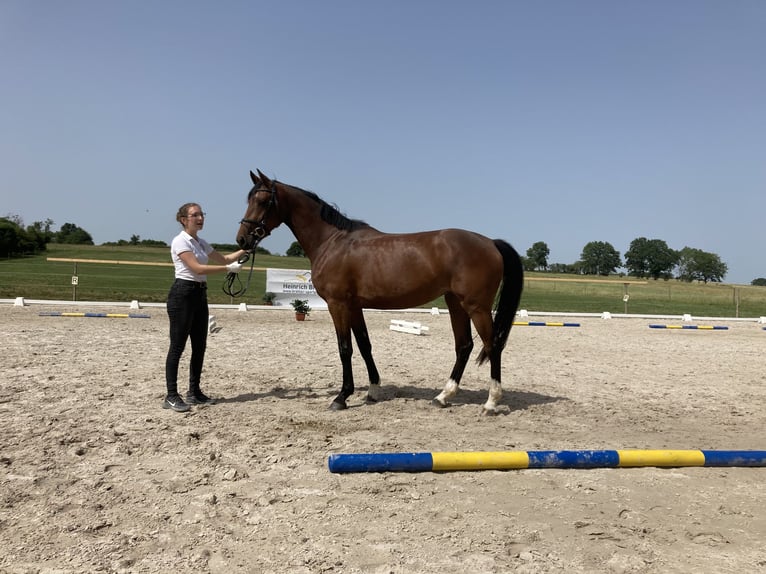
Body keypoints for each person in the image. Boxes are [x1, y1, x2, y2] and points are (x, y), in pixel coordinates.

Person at [163, 202, 247, 413]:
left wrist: (246, 248)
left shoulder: (201, 242)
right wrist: (228, 269)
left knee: (199, 346)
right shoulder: (180, 241)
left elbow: (225, 257)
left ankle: (194, 392)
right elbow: (197, 267)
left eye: (202, 214)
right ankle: (171, 395)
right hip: (183, 294)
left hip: (199, 294)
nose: (200, 218)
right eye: (195, 215)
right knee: (177, 347)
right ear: (184, 219)